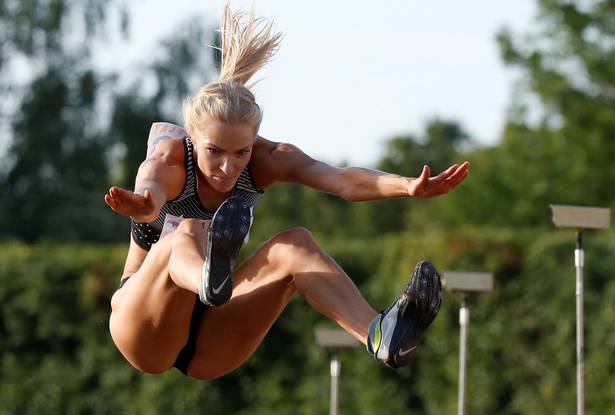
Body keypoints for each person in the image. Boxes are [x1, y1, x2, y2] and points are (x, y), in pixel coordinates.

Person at [104, 5, 469, 380]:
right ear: (193, 137)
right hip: (144, 329)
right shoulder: (171, 158)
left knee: (296, 243)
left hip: (212, 340)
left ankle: (380, 334)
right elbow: (150, 190)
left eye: (241, 153)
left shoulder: (269, 160)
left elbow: (342, 180)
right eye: (214, 152)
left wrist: (405, 186)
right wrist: (145, 205)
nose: (229, 167)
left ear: (254, 143)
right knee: (185, 234)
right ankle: (206, 279)